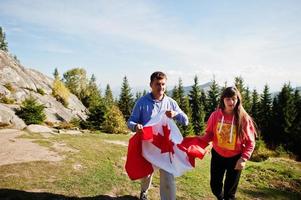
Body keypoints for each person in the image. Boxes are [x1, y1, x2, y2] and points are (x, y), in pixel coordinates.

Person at [127, 71, 188, 200]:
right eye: (157, 84)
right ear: (151, 85)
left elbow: (185, 120)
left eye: (163, 84)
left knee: (167, 176)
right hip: (148, 145)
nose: (161, 87)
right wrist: (135, 126)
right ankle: (144, 192)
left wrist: (176, 114)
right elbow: (130, 121)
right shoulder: (142, 102)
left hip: (165, 147)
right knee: (147, 174)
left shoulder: (171, 102)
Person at [200, 86, 256, 200]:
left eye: (234, 99)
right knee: (215, 187)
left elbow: (251, 142)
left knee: (229, 193)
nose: (231, 102)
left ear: (238, 100)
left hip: (235, 158)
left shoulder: (244, 118)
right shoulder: (215, 115)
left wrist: (243, 159)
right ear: (223, 100)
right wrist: (199, 142)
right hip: (217, 155)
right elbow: (210, 134)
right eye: (228, 99)